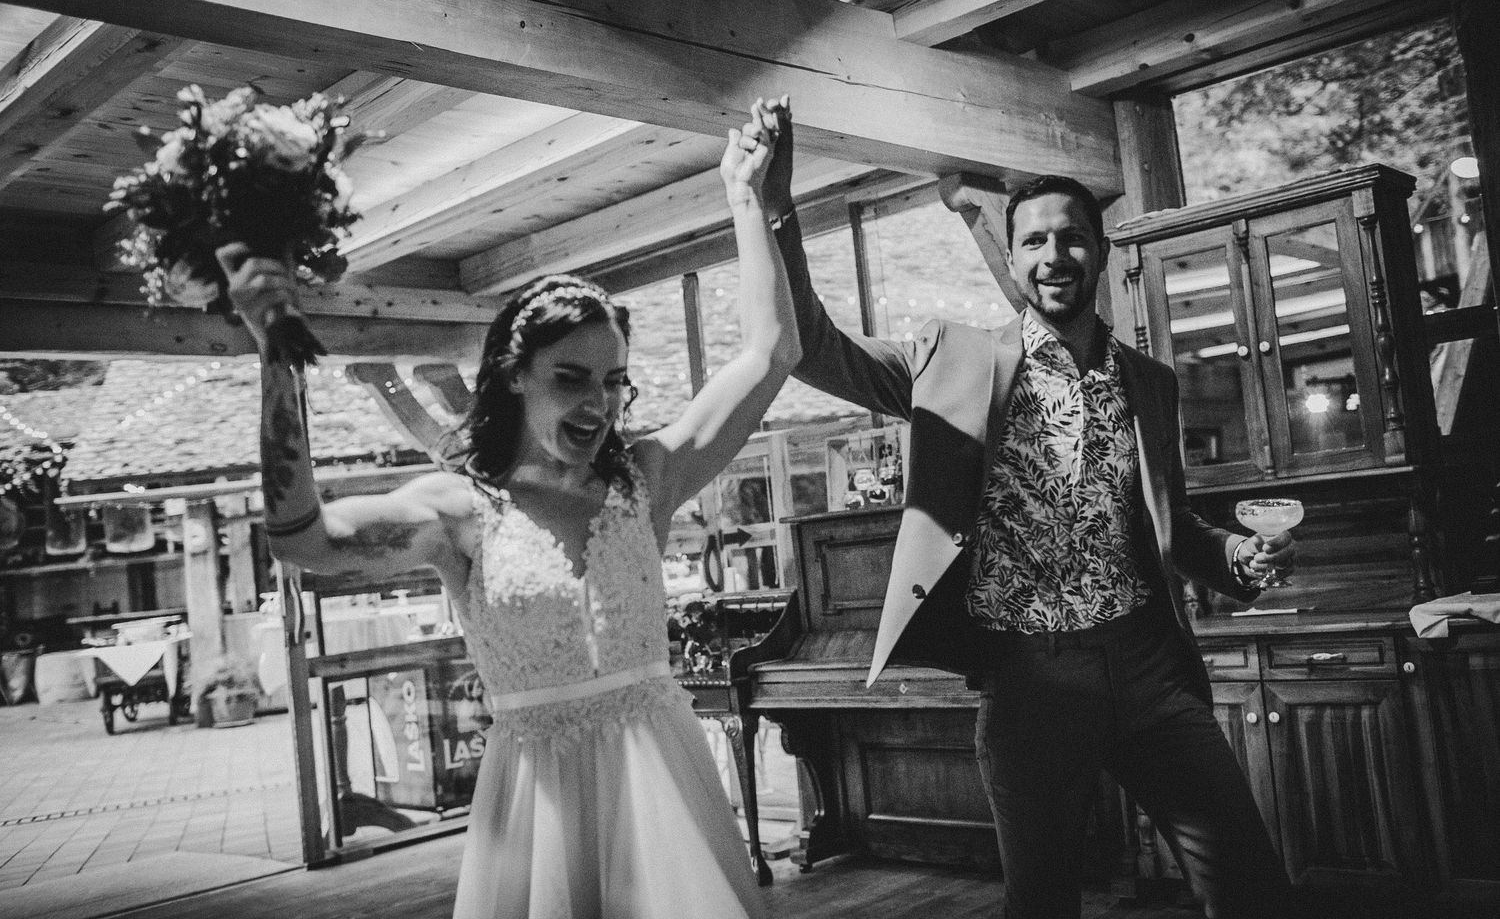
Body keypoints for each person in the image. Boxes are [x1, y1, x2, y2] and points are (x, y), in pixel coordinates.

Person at [218, 99, 799, 919]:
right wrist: (278, 357)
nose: (599, 402)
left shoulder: (645, 479)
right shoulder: (459, 510)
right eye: (572, 377)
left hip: (664, 786)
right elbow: (305, 541)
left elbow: (772, 353)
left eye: (612, 380)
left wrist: (749, 199)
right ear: (514, 376)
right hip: (536, 806)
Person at [758, 98, 1298, 919]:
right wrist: (775, 207)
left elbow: (1171, 525)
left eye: (1071, 236)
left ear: (1100, 249)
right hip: (1030, 682)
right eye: (1035, 240)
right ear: (1012, 259)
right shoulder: (952, 361)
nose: (1055, 255)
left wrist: (1236, 557)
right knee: (1042, 906)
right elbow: (811, 347)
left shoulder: (1149, 382)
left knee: (1251, 884)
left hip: (1149, 668)